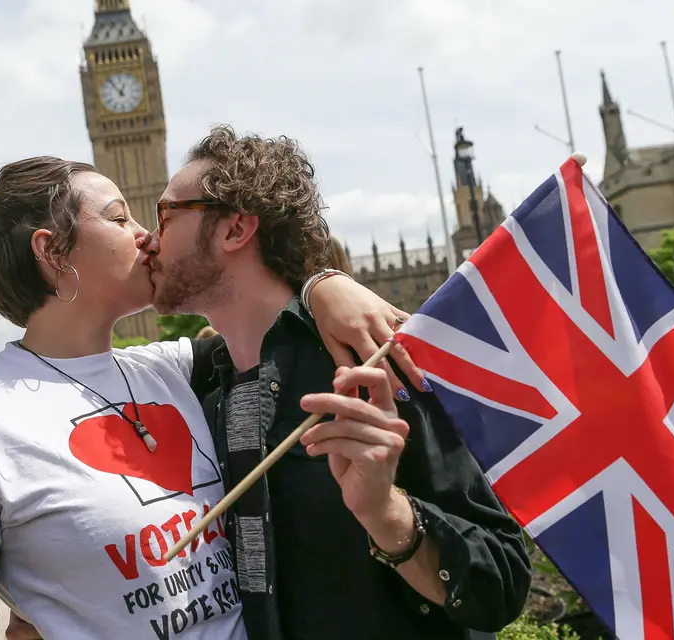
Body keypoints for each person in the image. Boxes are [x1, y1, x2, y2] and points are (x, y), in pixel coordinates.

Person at [0, 156, 417, 639]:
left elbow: (263, 309)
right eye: (119, 218)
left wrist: (324, 283)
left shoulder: (178, 368)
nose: (146, 234)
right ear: (51, 251)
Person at [144, 124, 532, 639]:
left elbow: (501, 583)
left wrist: (388, 514)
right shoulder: (200, 389)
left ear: (235, 230)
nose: (149, 237)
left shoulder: (371, 363)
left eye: (166, 213)